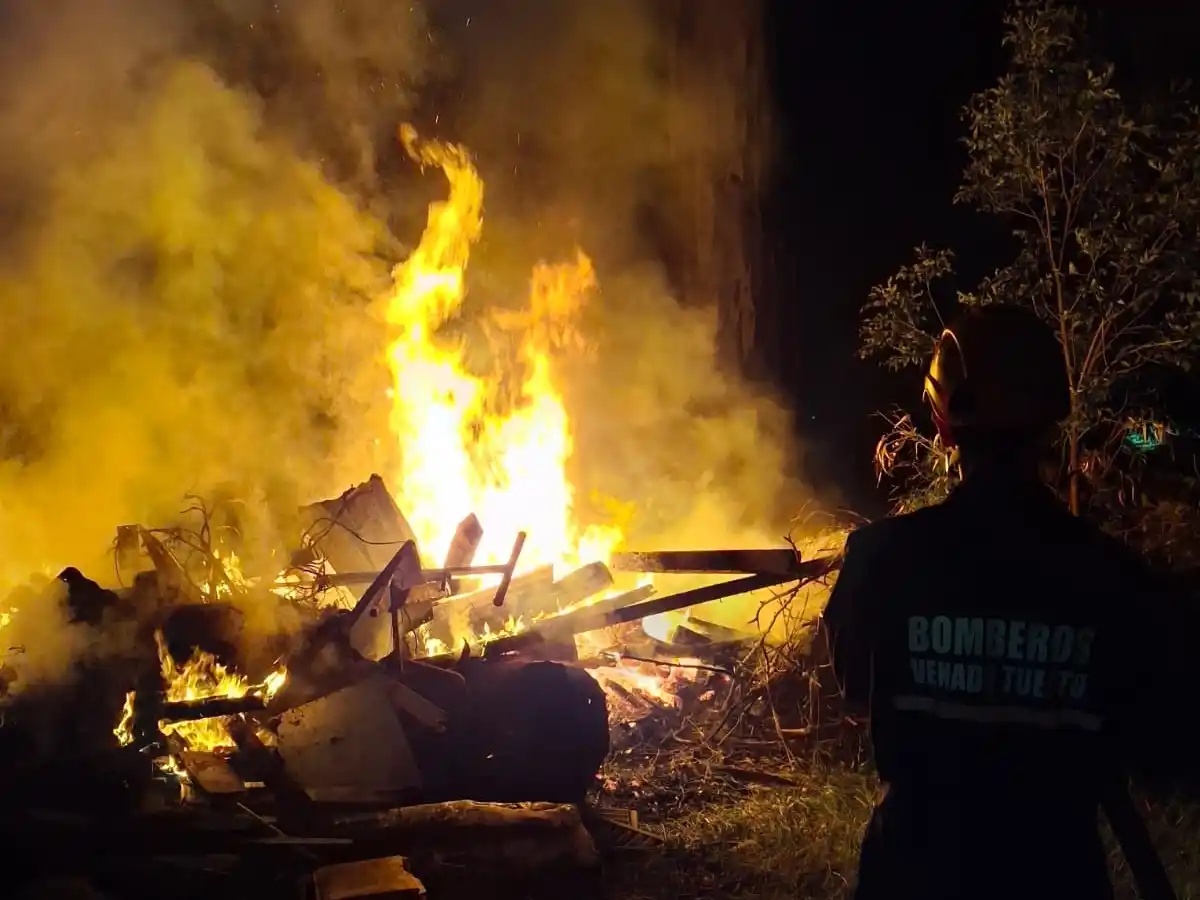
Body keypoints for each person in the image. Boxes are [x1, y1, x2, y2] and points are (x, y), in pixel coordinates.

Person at [822, 305, 1176, 900]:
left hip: (912, 874)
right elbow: (1152, 742)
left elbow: (857, 687)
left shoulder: (883, 559)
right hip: (1055, 874)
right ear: (1051, 421)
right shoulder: (1113, 577)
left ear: (943, 424)